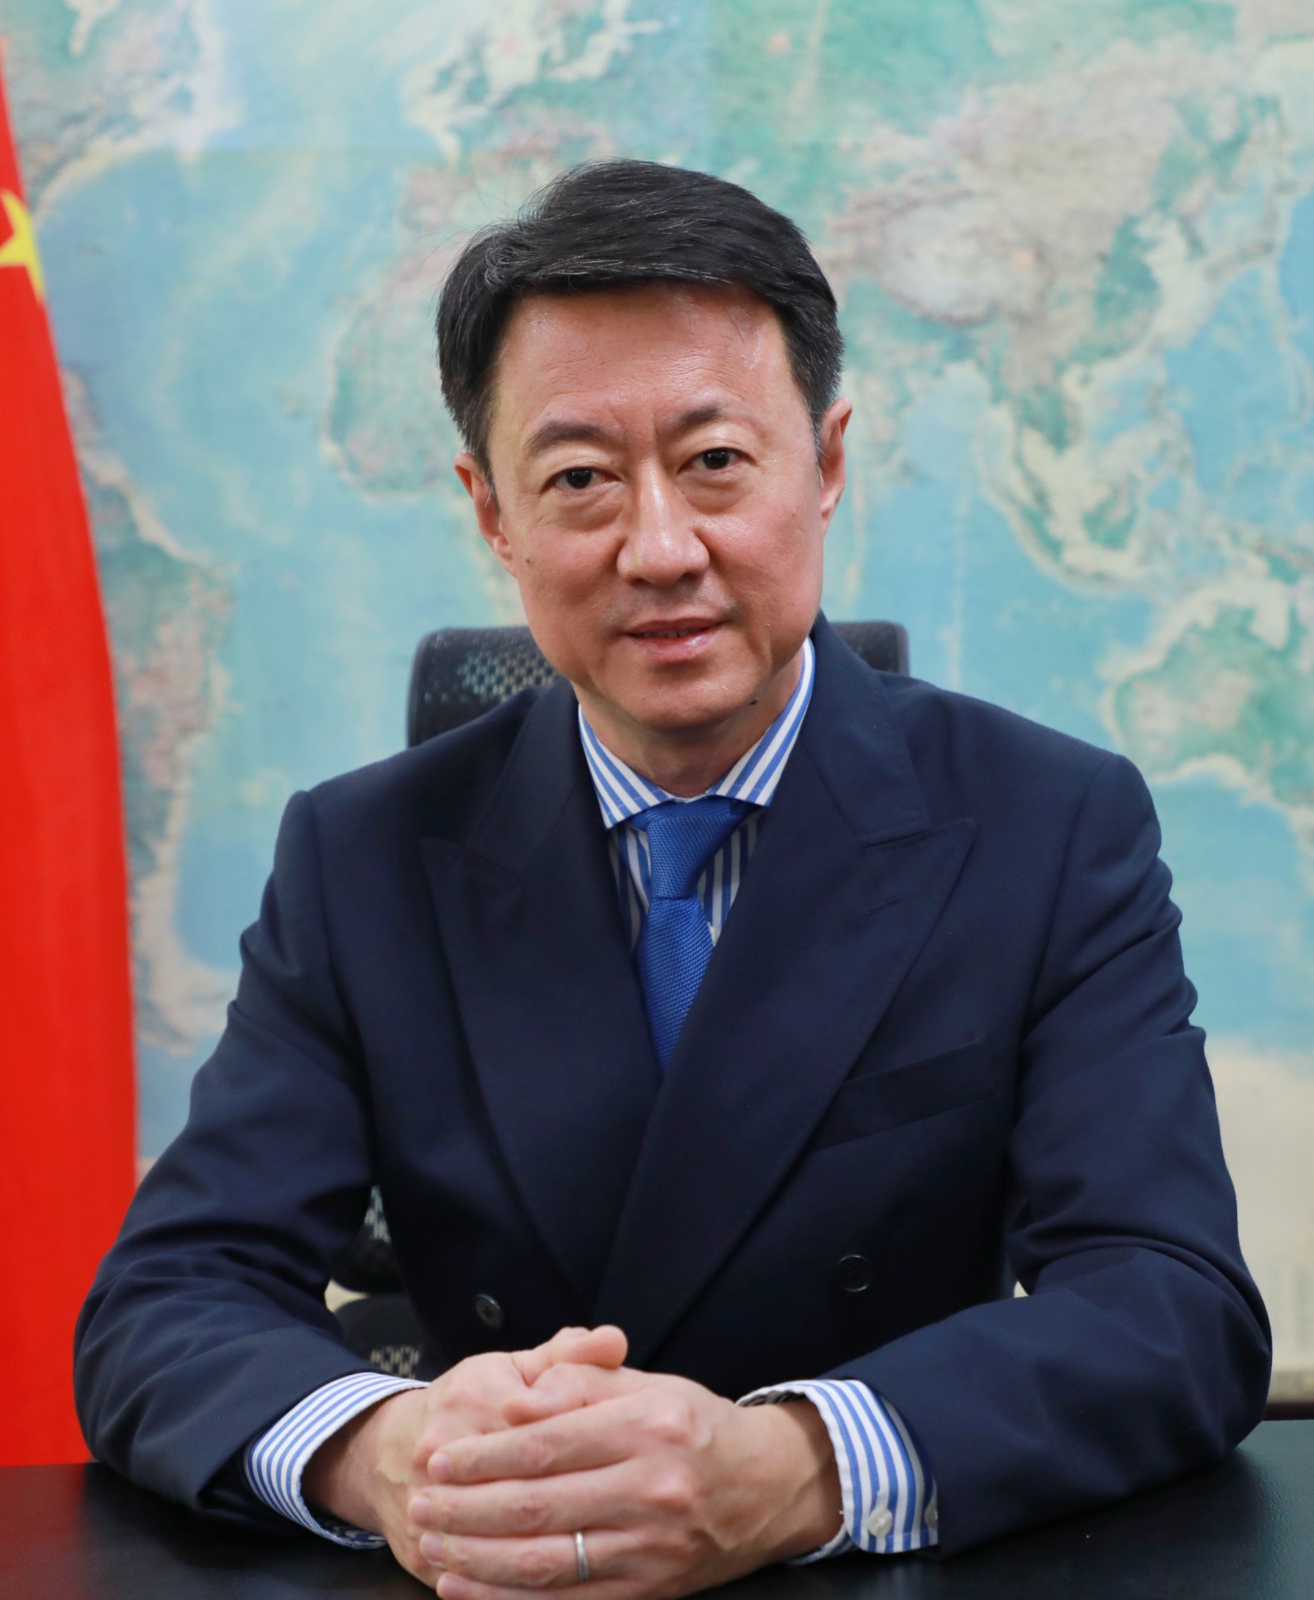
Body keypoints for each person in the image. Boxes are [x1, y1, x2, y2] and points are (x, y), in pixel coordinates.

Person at [75, 160, 1271, 1595]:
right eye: (579, 479)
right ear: (491, 513)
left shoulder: (1048, 826)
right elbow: (167, 1301)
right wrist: (391, 1454)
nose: (658, 549)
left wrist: (791, 1468)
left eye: (714, 461)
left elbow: (1168, 1304)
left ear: (825, 465)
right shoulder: (362, 858)